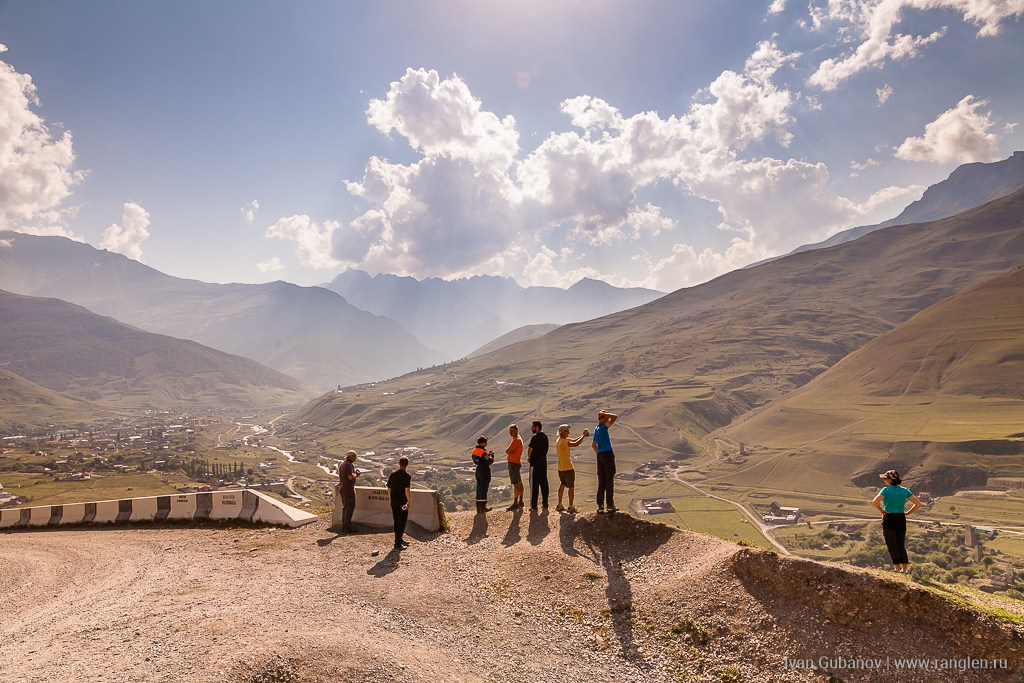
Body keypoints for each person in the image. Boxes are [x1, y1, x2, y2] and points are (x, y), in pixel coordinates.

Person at [872, 469, 922, 572]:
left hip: (889, 518)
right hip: (901, 518)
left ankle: (896, 568)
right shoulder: (905, 490)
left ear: (889, 480)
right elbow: (918, 504)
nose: (884, 480)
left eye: (885, 478)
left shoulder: (886, 490)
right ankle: (905, 569)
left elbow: (875, 502)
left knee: (892, 544)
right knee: (901, 544)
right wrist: (907, 513)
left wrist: (881, 510)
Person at [555, 424, 589, 513]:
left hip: (560, 467)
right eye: (567, 431)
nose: (568, 433)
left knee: (562, 484)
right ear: (563, 432)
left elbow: (574, 440)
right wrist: (584, 436)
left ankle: (559, 504)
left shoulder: (559, 440)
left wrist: (583, 435)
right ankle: (570, 506)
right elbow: (576, 444)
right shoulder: (564, 442)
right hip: (568, 467)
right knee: (571, 487)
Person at [592, 410, 618, 513]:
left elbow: (593, 445)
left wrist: (599, 453)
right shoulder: (603, 427)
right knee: (609, 480)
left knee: (601, 481)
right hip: (607, 454)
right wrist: (605, 414)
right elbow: (614, 417)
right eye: (606, 417)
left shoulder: (596, 429)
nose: (608, 419)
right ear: (602, 418)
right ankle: (610, 505)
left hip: (600, 456)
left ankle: (600, 506)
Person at [386, 456, 413, 551]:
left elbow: (389, 489)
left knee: (396, 521)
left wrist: (391, 499)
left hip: (394, 502)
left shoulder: (393, 475)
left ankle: (399, 540)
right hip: (403, 503)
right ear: (407, 464)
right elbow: (407, 490)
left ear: (399, 464)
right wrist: (409, 501)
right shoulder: (407, 476)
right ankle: (397, 544)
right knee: (402, 522)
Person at [526, 420, 550, 512]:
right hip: (543, 463)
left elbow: (530, 449)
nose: (531, 428)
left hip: (535, 464)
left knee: (534, 485)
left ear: (536, 427)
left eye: (533, 426)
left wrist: (529, 458)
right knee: (544, 483)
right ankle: (545, 503)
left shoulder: (535, 437)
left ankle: (533, 506)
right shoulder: (545, 437)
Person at [472, 436, 495, 514]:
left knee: (479, 489)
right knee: (484, 489)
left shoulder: (474, 451)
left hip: (478, 471)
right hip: (484, 472)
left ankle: (478, 507)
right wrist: (492, 455)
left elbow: (482, 459)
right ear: (483, 443)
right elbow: (489, 461)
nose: (486, 444)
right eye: (485, 442)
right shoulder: (483, 452)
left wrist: (488, 454)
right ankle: (483, 507)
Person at [338, 450, 360, 532]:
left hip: (343, 489)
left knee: (345, 507)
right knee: (349, 508)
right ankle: (348, 527)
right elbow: (350, 477)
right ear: (350, 456)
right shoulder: (348, 465)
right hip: (348, 490)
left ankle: (345, 525)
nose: (355, 458)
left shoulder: (343, 464)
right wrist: (357, 475)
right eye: (354, 456)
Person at [505, 424, 525, 510]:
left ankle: (515, 503)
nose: (510, 432)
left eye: (512, 431)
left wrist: (510, 451)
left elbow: (507, 451)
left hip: (513, 464)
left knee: (515, 484)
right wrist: (510, 451)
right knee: (519, 482)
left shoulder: (516, 440)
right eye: (510, 431)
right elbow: (509, 451)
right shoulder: (517, 438)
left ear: (516, 431)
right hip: (516, 463)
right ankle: (521, 501)